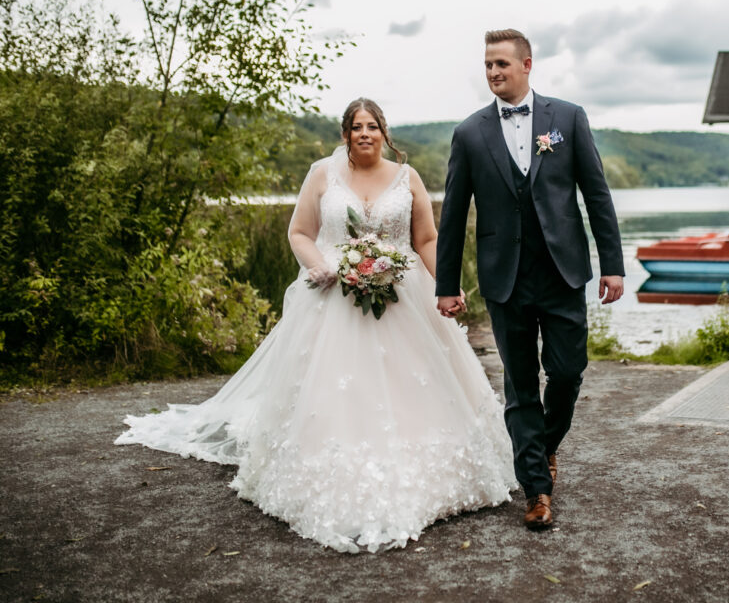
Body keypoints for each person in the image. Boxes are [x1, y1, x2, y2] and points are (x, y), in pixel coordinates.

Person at [116, 99, 516, 553]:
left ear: (385, 132)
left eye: (372, 126)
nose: (364, 133)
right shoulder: (322, 174)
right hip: (333, 297)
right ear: (345, 134)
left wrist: (448, 283)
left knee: (415, 387)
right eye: (356, 127)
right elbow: (299, 233)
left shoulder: (409, 179)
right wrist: (318, 266)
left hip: (405, 297)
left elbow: (425, 238)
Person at [436, 29, 625, 530]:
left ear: (526, 64)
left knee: (567, 372)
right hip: (505, 280)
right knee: (519, 386)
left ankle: (542, 444)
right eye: (487, 66)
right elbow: (454, 215)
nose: (494, 73)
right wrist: (446, 285)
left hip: (563, 273)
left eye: (501, 63)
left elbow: (596, 195)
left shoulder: (567, 118)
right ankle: (537, 489)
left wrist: (613, 264)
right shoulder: (470, 134)